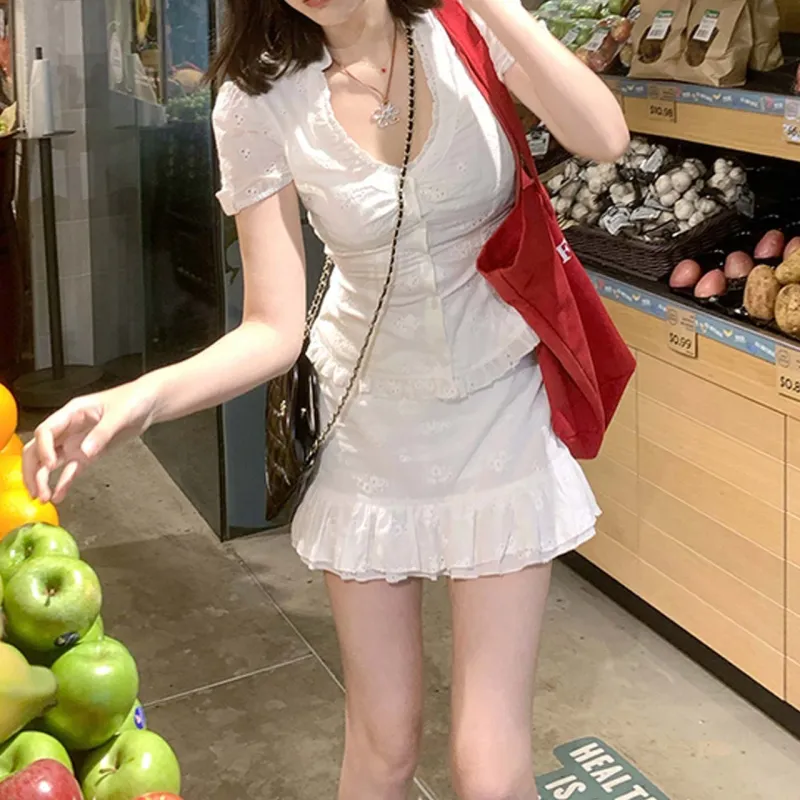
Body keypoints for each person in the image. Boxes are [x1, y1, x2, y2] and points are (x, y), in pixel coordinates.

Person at [22, 0, 629, 797]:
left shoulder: (463, 28)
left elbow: (604, 135)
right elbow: (273, 327)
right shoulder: (258, 99)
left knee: (488, 758)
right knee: (384, 740)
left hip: (498, 401)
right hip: (368, 421)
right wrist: (140, 398)